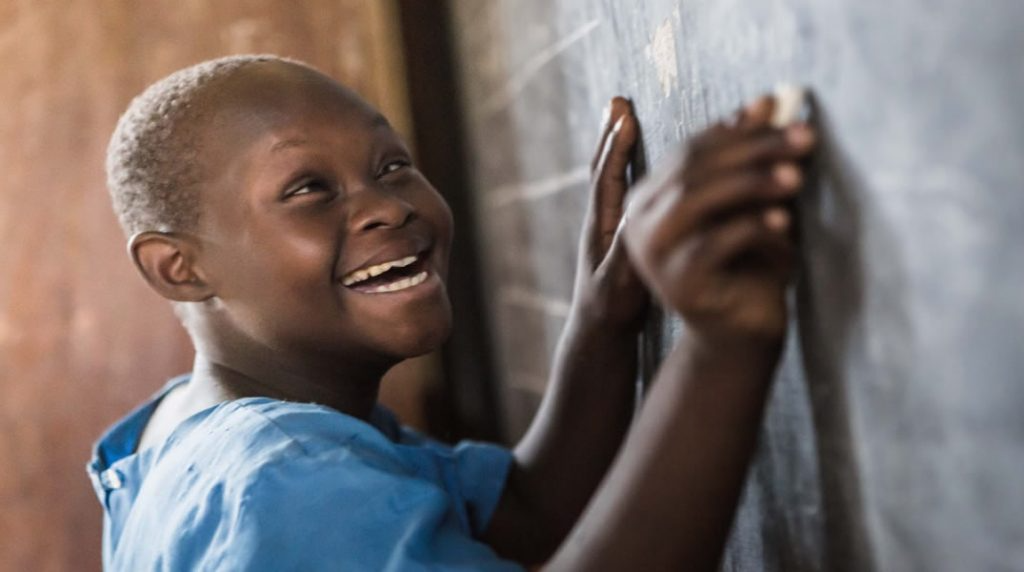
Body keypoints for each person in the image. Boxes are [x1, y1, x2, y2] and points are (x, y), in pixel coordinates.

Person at [88, 54, 816, 571]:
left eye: (392, 165)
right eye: (310, 189)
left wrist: (603, 318)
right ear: (180, 269)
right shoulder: (283, 479)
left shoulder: (190, 433)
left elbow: (527, 515)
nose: (386, 207)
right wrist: (722, 344)